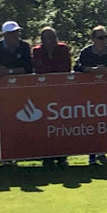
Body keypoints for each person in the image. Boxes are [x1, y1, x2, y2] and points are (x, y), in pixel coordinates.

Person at [75, 25, 107, 165]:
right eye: (101, 37)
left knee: (105, 123)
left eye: (105, 37)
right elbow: (77, 66)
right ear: (93, 39)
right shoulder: (86, 52)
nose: (104, 40)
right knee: (91, 124)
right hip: (90, 94)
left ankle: (102, 153)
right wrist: (91, 70)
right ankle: (92, 155)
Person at [32, 26, 72, 168]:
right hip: (43, 93)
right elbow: (38, 70)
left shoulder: (63, 49)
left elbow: (65, 68)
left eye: (51, 37)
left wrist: (50, 72)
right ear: (41, 40)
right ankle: (47, 156)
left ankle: (62, 156)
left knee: (61, 125)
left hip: (61, 92)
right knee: (45, 125)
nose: (49, 40)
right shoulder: (37, 51)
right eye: (45, 38)